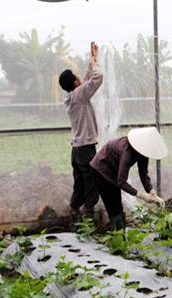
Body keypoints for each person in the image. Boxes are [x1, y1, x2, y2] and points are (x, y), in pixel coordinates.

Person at [58, 42, 102, 222]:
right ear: (75, 82)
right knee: (92, 184)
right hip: (85, 148)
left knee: (79, 184)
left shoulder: (71, 96)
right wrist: (96, 63)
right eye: (77, 77)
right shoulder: (79, 95)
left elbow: (85, 81)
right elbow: (97, 78)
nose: (79, 78)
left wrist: (92, 59)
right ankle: (88, 219)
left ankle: (74, 213)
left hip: (76, 150)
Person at [90, 127, 167, 229]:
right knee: (113, 206)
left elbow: (143, 174)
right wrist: (142, 195)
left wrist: (152, 192)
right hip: (100, 170)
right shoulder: (127, 152)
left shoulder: (142, 152)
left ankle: (120, 232)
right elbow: (121, 182)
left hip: (113, 171)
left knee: (117, 205)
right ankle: (117, 234)